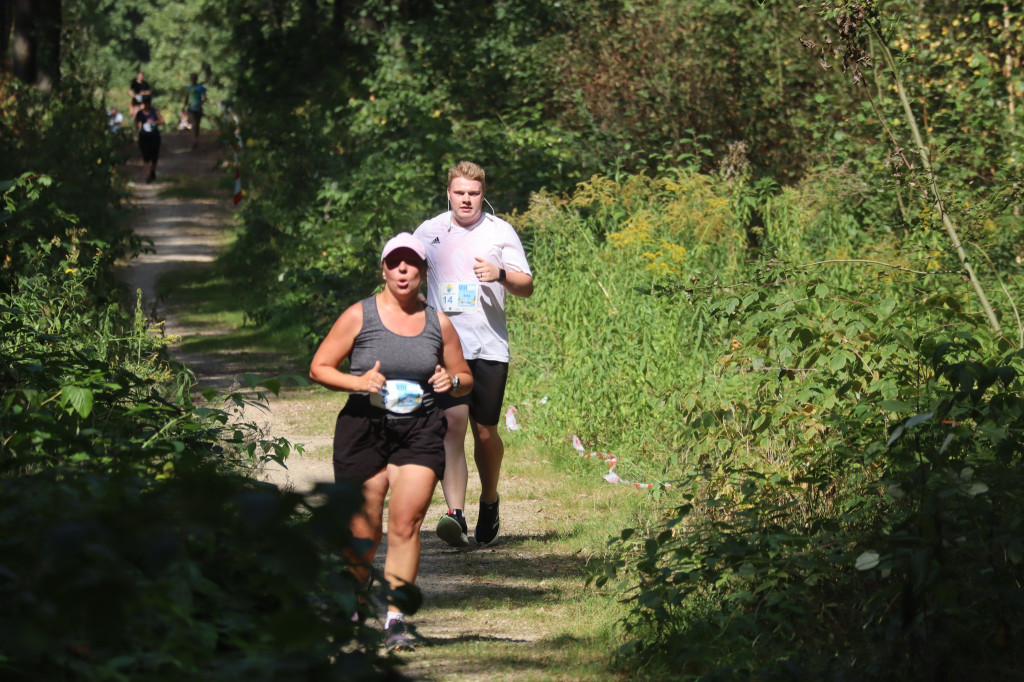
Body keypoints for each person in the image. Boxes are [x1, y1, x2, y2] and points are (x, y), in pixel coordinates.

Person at [309, 232, 473, 652]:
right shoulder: (358, 316)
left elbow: (464, 377)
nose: (403, 270)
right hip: (364, 428)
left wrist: (450, 380)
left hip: (420, 428)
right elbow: (319, 368)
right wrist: (358, 382)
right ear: (383, 269)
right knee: (365, 532)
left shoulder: (439, 323)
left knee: (407, 522)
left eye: (411, 263)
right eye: (394, 263)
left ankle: (396, 620)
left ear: (423, 270)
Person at [413, 161, 534, 547]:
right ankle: (455, 515)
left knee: (485, 433)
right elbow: (406, 274)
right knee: (452, 425)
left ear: (483, 194)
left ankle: (490, 500)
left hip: (488, 346)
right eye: (460, 192)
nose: (466, 199)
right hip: (445, 346)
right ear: (448, 193)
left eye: (474, 193)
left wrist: (499, 274)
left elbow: (527, 286)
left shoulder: (500, 232)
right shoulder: (430, 231)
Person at [134, 96, 165, 184]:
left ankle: (152, 171)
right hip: (144, 137)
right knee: (145, 156)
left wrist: (154, 122)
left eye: (148, 103)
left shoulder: (155, 111)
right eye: (145, 103)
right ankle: (147, 175)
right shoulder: (140, 113)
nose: (147, 104)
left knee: (154, 156)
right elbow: (137, 124)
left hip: (154, 136)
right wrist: (140, 124)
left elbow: (162, 121)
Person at [183, 73, 207, 148]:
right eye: (192, 78)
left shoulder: (200, 87)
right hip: (191, 108)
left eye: (194, 78)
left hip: (198, 108)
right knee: (193, 122)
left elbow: (205, 97)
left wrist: (200, 102)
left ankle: (196, 139)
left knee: (197, 124)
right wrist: (184, 106)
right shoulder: (188, 88)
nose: (193, 79)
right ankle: (193, 139)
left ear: (196, 79)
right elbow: (186, 98)